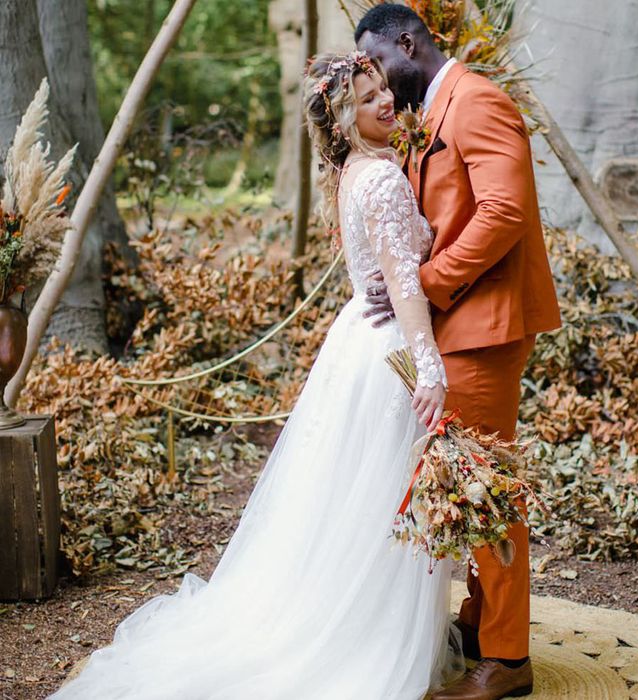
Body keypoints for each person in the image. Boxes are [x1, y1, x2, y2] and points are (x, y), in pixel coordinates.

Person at [48, 51, 463, 700]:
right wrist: (430, 368)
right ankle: (367, 642)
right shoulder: (381, 180)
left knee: (360, 502)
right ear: (343, 119)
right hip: (392, 351)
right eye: (365, 97)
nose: (384, 100)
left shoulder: (359, 171)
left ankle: (348, 619)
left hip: (359, 338)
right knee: (386, 503)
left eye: (382, 87)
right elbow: (404, 281)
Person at [355, 5, 562, 699]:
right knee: (463, 483)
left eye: (380, 64)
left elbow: (504, 212)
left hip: (486, 324)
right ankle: (480, 625)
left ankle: (506, 659)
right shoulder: (435, 107)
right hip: (461, 323)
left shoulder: (478, 102)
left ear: (407, 43)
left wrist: (429, 284)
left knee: (483, 491)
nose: (380, 85)